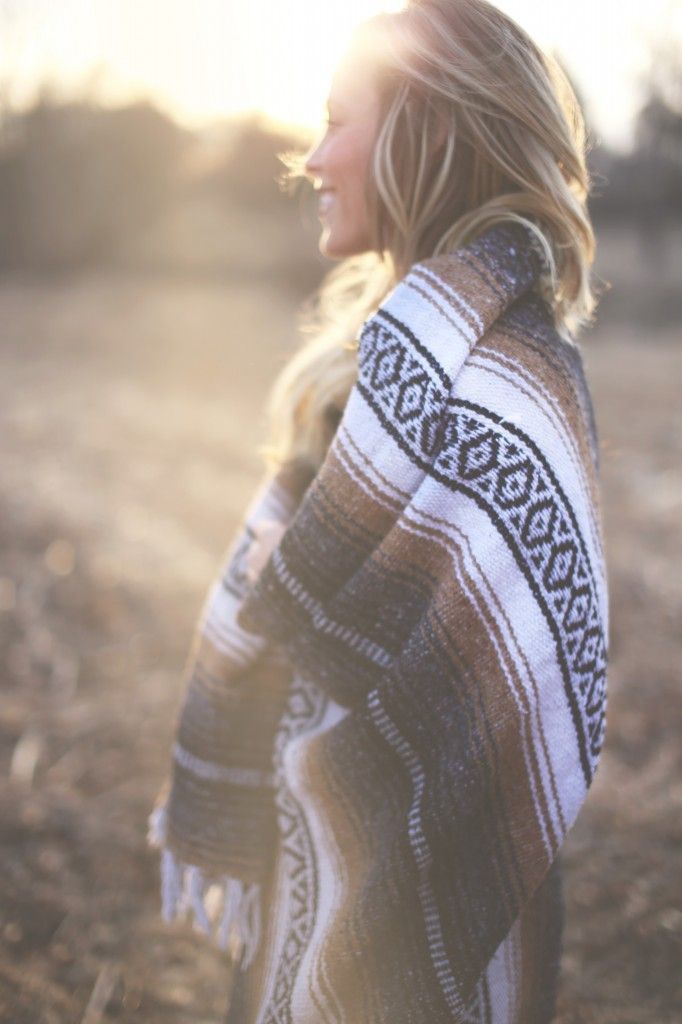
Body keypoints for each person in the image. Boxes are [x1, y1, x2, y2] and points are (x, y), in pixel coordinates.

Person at [148, 2, 609, 1021]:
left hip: (442, 889)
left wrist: (289, 578)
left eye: (335, 123)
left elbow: (514, 691)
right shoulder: (360, 366)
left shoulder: (514, 378)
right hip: (297, 849)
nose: (308, 160)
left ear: (426, 134)